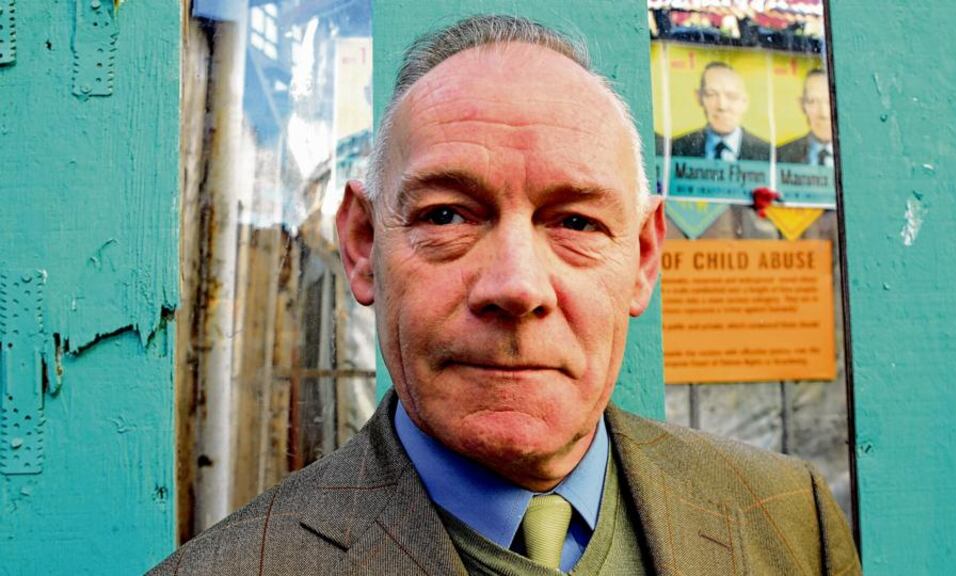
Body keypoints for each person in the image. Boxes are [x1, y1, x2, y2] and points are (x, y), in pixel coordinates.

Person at [150, 15, 860, 575]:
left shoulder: (790, 521)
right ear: (363, 246)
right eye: (448, 215)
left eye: (576, 221)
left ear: (643, 256)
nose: (516, 286)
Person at [671, 62, 771, 161]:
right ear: (699, 98)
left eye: (732, 96)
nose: (722, 106)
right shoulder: (677, 148)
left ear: (745, 101)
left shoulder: (768, 153)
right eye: (711, 94)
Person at [777, 69, 834, 166]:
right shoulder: (781, 155)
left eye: (829, 101)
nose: (824, 114)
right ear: (802, 105)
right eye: (812, 101)